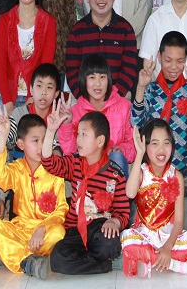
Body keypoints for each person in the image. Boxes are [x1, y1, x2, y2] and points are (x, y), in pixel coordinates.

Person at [132, 32, 187, 228]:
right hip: (152, 170)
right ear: (159, 57)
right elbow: (136, 124)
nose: (173, 66)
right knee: (139, 221)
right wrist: (140, 88)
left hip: (183, 168)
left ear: (186, 59)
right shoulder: (150, 89)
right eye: (168, 60)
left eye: (179, 61)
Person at [41, 110, 130, 275]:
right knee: (57, 259)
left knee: (109, 244)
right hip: (75, 230)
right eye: (78, 134)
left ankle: (94, 258)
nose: (78, 139)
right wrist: (50, 131)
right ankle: (105, 265)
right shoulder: (74, 163)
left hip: (100, 229)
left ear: (100, 140)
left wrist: (114, 222)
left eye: (84, 135)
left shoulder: (115, 174)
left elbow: (123, 212)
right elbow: (49, 163)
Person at [121, 119, 187, 279]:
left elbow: (179, 221)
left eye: (166, 143)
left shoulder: (176, 175)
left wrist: (167, 247)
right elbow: (130, 193)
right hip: (146, 236)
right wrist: (139, 155)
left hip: (170, 237)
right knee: (127, 238)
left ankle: (151, 261)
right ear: (145, 146)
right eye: (154, 143)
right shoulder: (141, 172)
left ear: (172, 146)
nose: (161, 149)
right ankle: (177, 265)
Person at [0, 113, 67, 279]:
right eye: (35, 140)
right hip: (19, 230)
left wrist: (42, 228)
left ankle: (14, 255)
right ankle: (28, 262)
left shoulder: (54, 170)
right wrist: (3, 136)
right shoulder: (17, 169)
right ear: (21, 144)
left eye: (44, 140)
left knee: (58, 233)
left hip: (45, 231)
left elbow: (61, 210)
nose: (41, 146)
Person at [65, 0, 138, 98]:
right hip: (84, 98)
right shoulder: (77, 31)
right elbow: (72, 72)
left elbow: (129, 70)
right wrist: (86, 99)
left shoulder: (125, 30)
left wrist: (112, 98)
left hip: (118, 97)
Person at [57, 55, 135, 173]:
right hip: (87, 169)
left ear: (108, 80)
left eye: (102, 77)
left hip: (114, 170)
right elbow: (70, 151)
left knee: (117, 157)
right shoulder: (75, 111)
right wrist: (67, 124)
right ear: (84, 80)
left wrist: (121, 149)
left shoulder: (124, 106)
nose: (98, 83)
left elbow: (132, 144)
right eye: (92, 77)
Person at [0, 0, 56, 111]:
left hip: (37, 98)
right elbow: (0, 66)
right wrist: (8, 102)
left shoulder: (49, 21)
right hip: (9, 97)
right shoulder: (4, 20)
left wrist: (33, 99)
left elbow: (46, 65)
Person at [5, 64, 62, 153]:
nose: (44, 92)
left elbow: (59, 148)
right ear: (31, 90)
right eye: (39, 86)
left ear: (56, 94)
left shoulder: (58, 119)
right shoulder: (19, 114)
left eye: (49, 87)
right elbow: (7, 142)